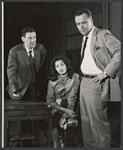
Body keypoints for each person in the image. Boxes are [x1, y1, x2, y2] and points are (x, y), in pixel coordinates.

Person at [74, 9, 121, 148]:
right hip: (84, 82)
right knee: (86, 122)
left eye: (84, 23)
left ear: (91, 21)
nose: (81, 27)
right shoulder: (85, 37)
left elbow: (119, 52)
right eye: (78, 24)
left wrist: (106, 72)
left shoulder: (102, 34)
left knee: (98, 123)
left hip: (96, 83)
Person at [46, 55, 80, 148]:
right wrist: (65, 111)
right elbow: (49, 101)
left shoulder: (75, 77)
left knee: (52, 120)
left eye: (62, 65)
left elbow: (73, 97)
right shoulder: (52, 82)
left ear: (66, 65)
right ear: (55, 69)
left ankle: (57, 142)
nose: (60, 68)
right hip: (56, 107)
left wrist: (69, 110)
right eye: (57, 66)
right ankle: (57, 144)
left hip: (70, 105)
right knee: (52, 116)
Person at [6, 27, 46, 100]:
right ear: (23, 39)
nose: (33, 40)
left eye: (34, 37)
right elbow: (11, 72)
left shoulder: (40, 48)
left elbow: (42, 59)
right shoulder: (14, 51)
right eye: (30, 38)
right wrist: (14, 89)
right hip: (21, 89)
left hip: (37, 90)